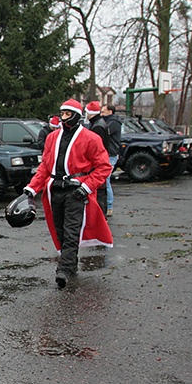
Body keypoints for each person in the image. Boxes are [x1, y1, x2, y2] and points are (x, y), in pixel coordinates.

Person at [23, 99, 112, 289]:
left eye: (67, 114)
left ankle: (63, 270)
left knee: (72, 231)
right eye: (61, 114)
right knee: (60, 230)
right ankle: (70, 265)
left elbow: (104, 167)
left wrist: (86, 187)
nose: (63, 118)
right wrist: (31, 188)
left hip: (76, 191)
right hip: (55, 189)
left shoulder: (91, 139)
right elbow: (45, 167)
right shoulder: (52, 138)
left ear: (77, 116)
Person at [84, 101, 111, 217]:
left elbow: (96, 146)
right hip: (102, 158)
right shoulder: (100, 124)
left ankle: (101, 213)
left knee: (101, 188)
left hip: (98, 161)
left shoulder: (98, 126)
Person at [100, 104, 121, 216]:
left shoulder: (113, 123)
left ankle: (109, 206)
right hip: (109, 154)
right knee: (105, 180)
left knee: (105, 180)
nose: (101, 114)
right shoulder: (111, 122)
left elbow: (104, 133)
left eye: (103, 112)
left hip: (110, 154)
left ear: (110, 112)